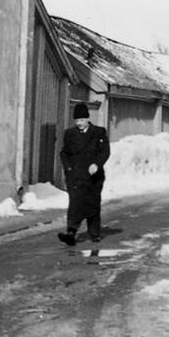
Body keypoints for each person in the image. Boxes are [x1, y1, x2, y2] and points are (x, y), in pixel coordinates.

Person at [57, 103, 110, 246]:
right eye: (77, 121)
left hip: (93, 176)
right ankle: (71, 233)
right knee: (75, 203)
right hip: (75, 176)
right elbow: (64, 153)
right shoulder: (70, 134)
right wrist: (68, 168)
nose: (79, 124)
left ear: (87, 118)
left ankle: (94, 233)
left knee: (92, 203)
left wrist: (96, 164)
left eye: (81, 120)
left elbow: (105, 151)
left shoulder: (99, 132)